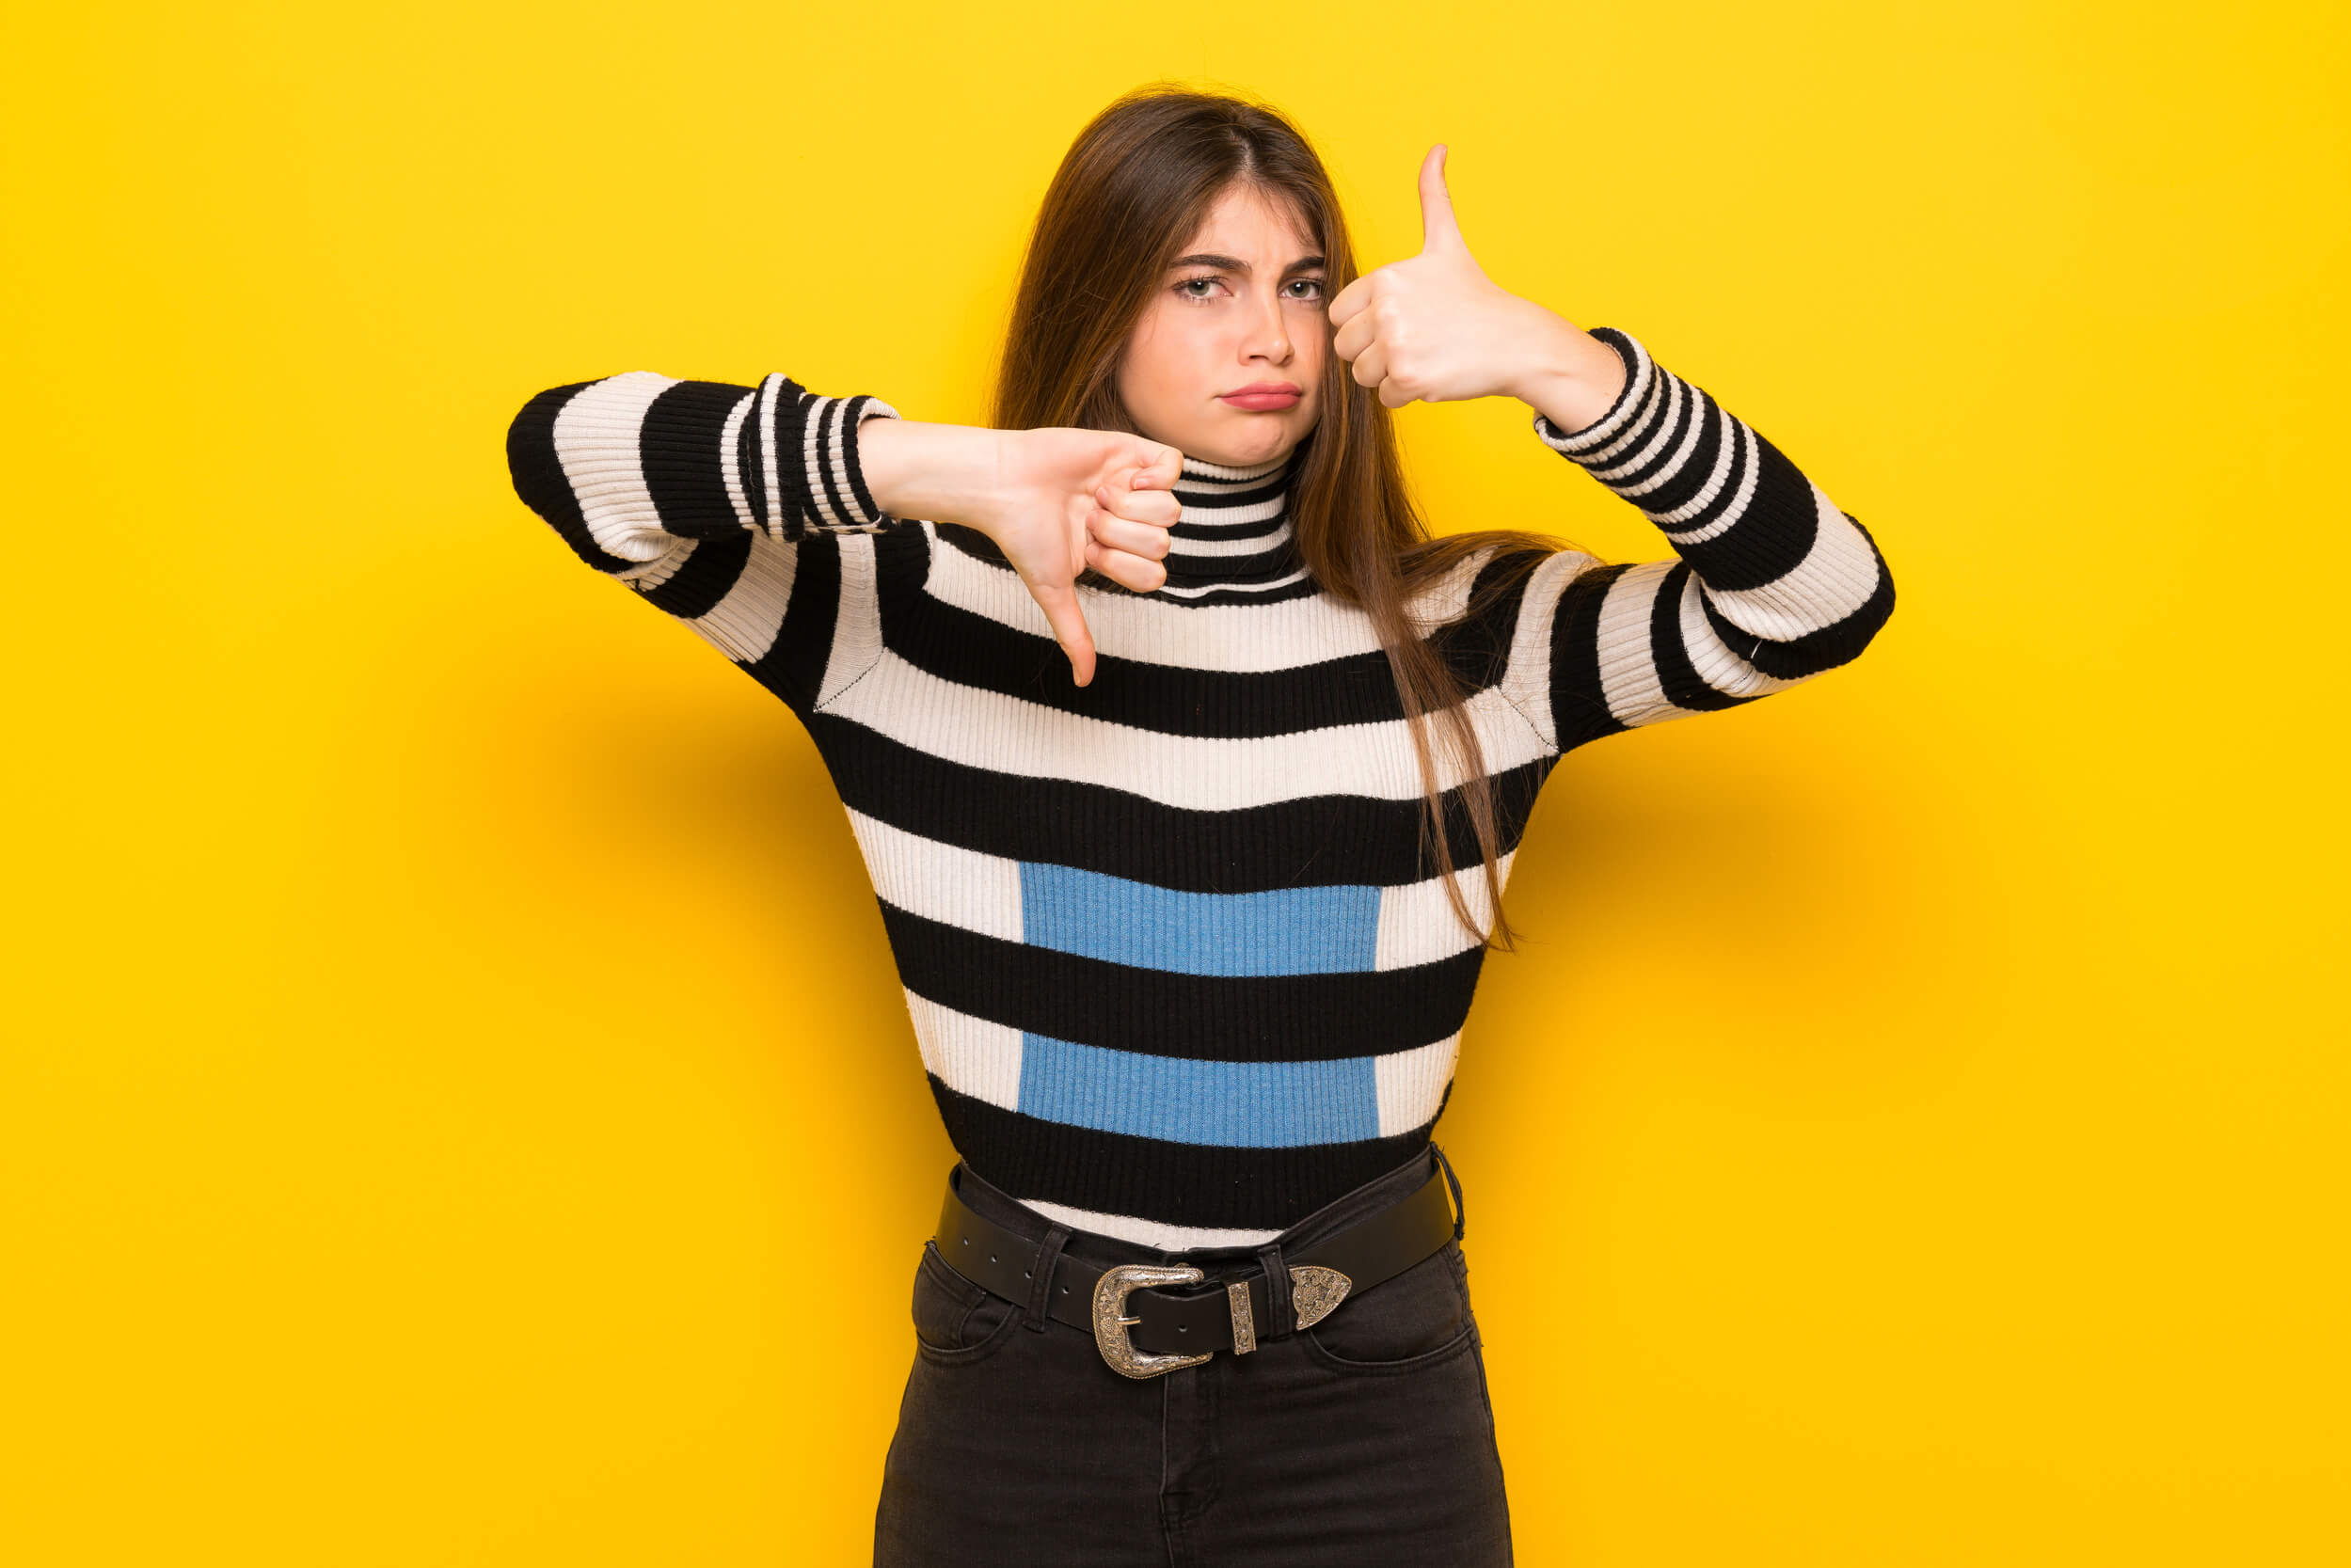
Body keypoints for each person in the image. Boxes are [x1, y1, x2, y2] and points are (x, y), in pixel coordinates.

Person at [502, 84, 1893, 1568]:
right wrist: (948, 469)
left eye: (1303, 285)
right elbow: (568, 458)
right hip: (1021, 1388)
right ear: (1097, 305)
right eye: (1202, 283)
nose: (1273, 338)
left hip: (1366, 1397)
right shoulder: (904, 614)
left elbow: (1821, 600)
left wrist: (1564, 367)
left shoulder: (1478, 635)